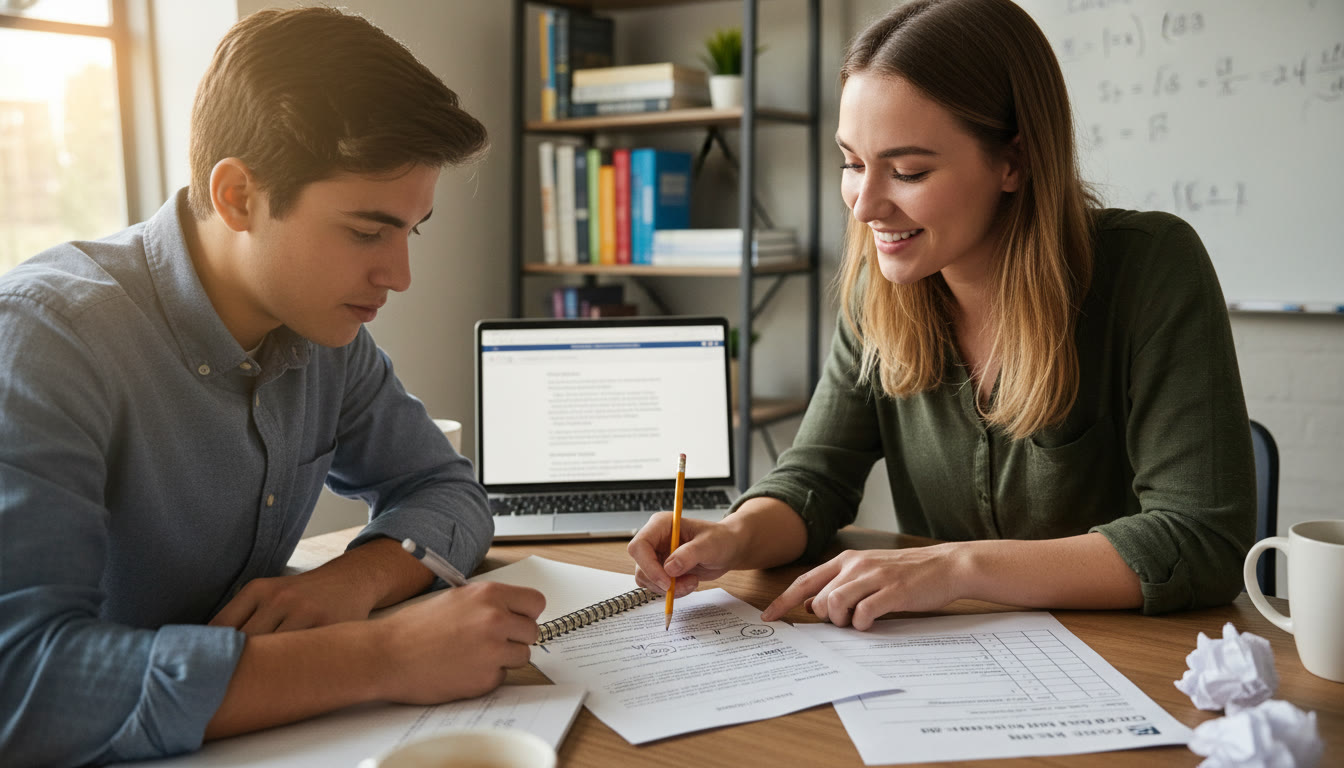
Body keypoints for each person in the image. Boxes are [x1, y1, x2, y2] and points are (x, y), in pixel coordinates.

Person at [0, 8, 542, 766]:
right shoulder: (44, 337)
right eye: (365, 232)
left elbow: (446, 489)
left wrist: (350, 584)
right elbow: (25, 683)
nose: (400, 276)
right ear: (238, 197)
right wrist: (381, 654)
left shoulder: (327, 337)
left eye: (409, 232)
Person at [629, 0, 1255, 630]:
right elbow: (815, 477)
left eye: (908, 171)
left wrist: (955, 568)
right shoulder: (877, 289)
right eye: (851, 162)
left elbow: (1202, 540)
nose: (865, 205)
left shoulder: (1151, 268)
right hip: (941, 663)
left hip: (1130, 664)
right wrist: (734, 535)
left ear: (1014, 161)